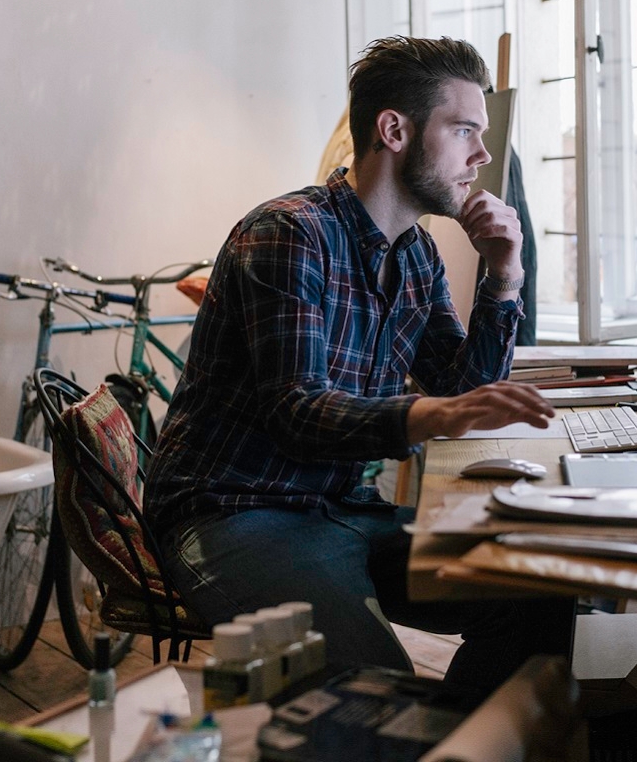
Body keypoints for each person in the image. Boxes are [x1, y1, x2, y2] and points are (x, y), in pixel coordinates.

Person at [146, 36, 572, 693]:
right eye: (464, 130)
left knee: (538, 592)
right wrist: (437, 413)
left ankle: (450, 741)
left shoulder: (417, 255)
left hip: (340, 508)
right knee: (374, 689)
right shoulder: (289, 234)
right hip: (235, 511)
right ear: (394, 130)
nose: (483, 156)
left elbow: (463, 393)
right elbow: (298, 414)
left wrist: (504, 278)